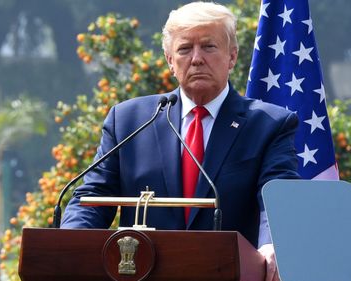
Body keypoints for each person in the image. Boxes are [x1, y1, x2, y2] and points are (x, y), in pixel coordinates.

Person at [61, 2, 300, 280]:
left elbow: (276, 198)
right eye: (185, 49)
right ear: (169, 60)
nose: (196, 59)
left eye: (209, 47)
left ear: (232, 56)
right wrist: (68, 244)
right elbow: (93, 198)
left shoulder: (269, 124)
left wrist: (271, 245)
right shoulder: (129, 120)